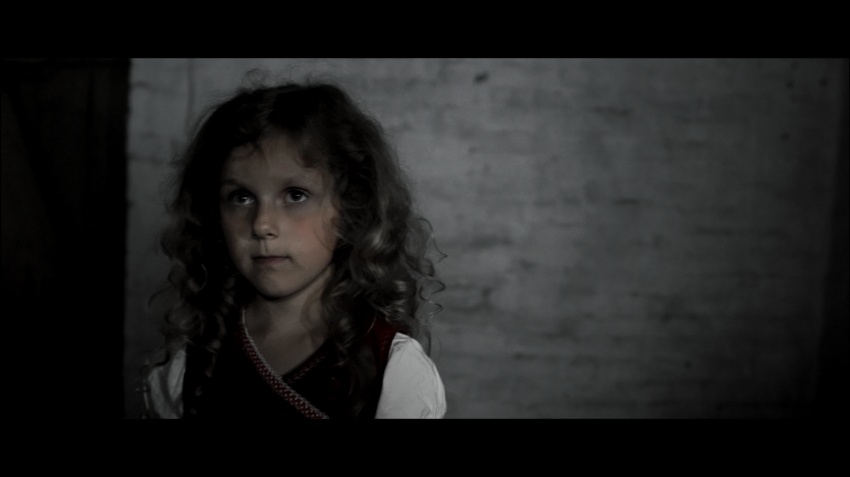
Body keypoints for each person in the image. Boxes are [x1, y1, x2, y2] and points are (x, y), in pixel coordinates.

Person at [141, 78, 446, 419]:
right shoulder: (190, 364)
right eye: (241, 197)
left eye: (296, 195)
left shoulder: (392, 369)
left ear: (350, 209)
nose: (262, 224)